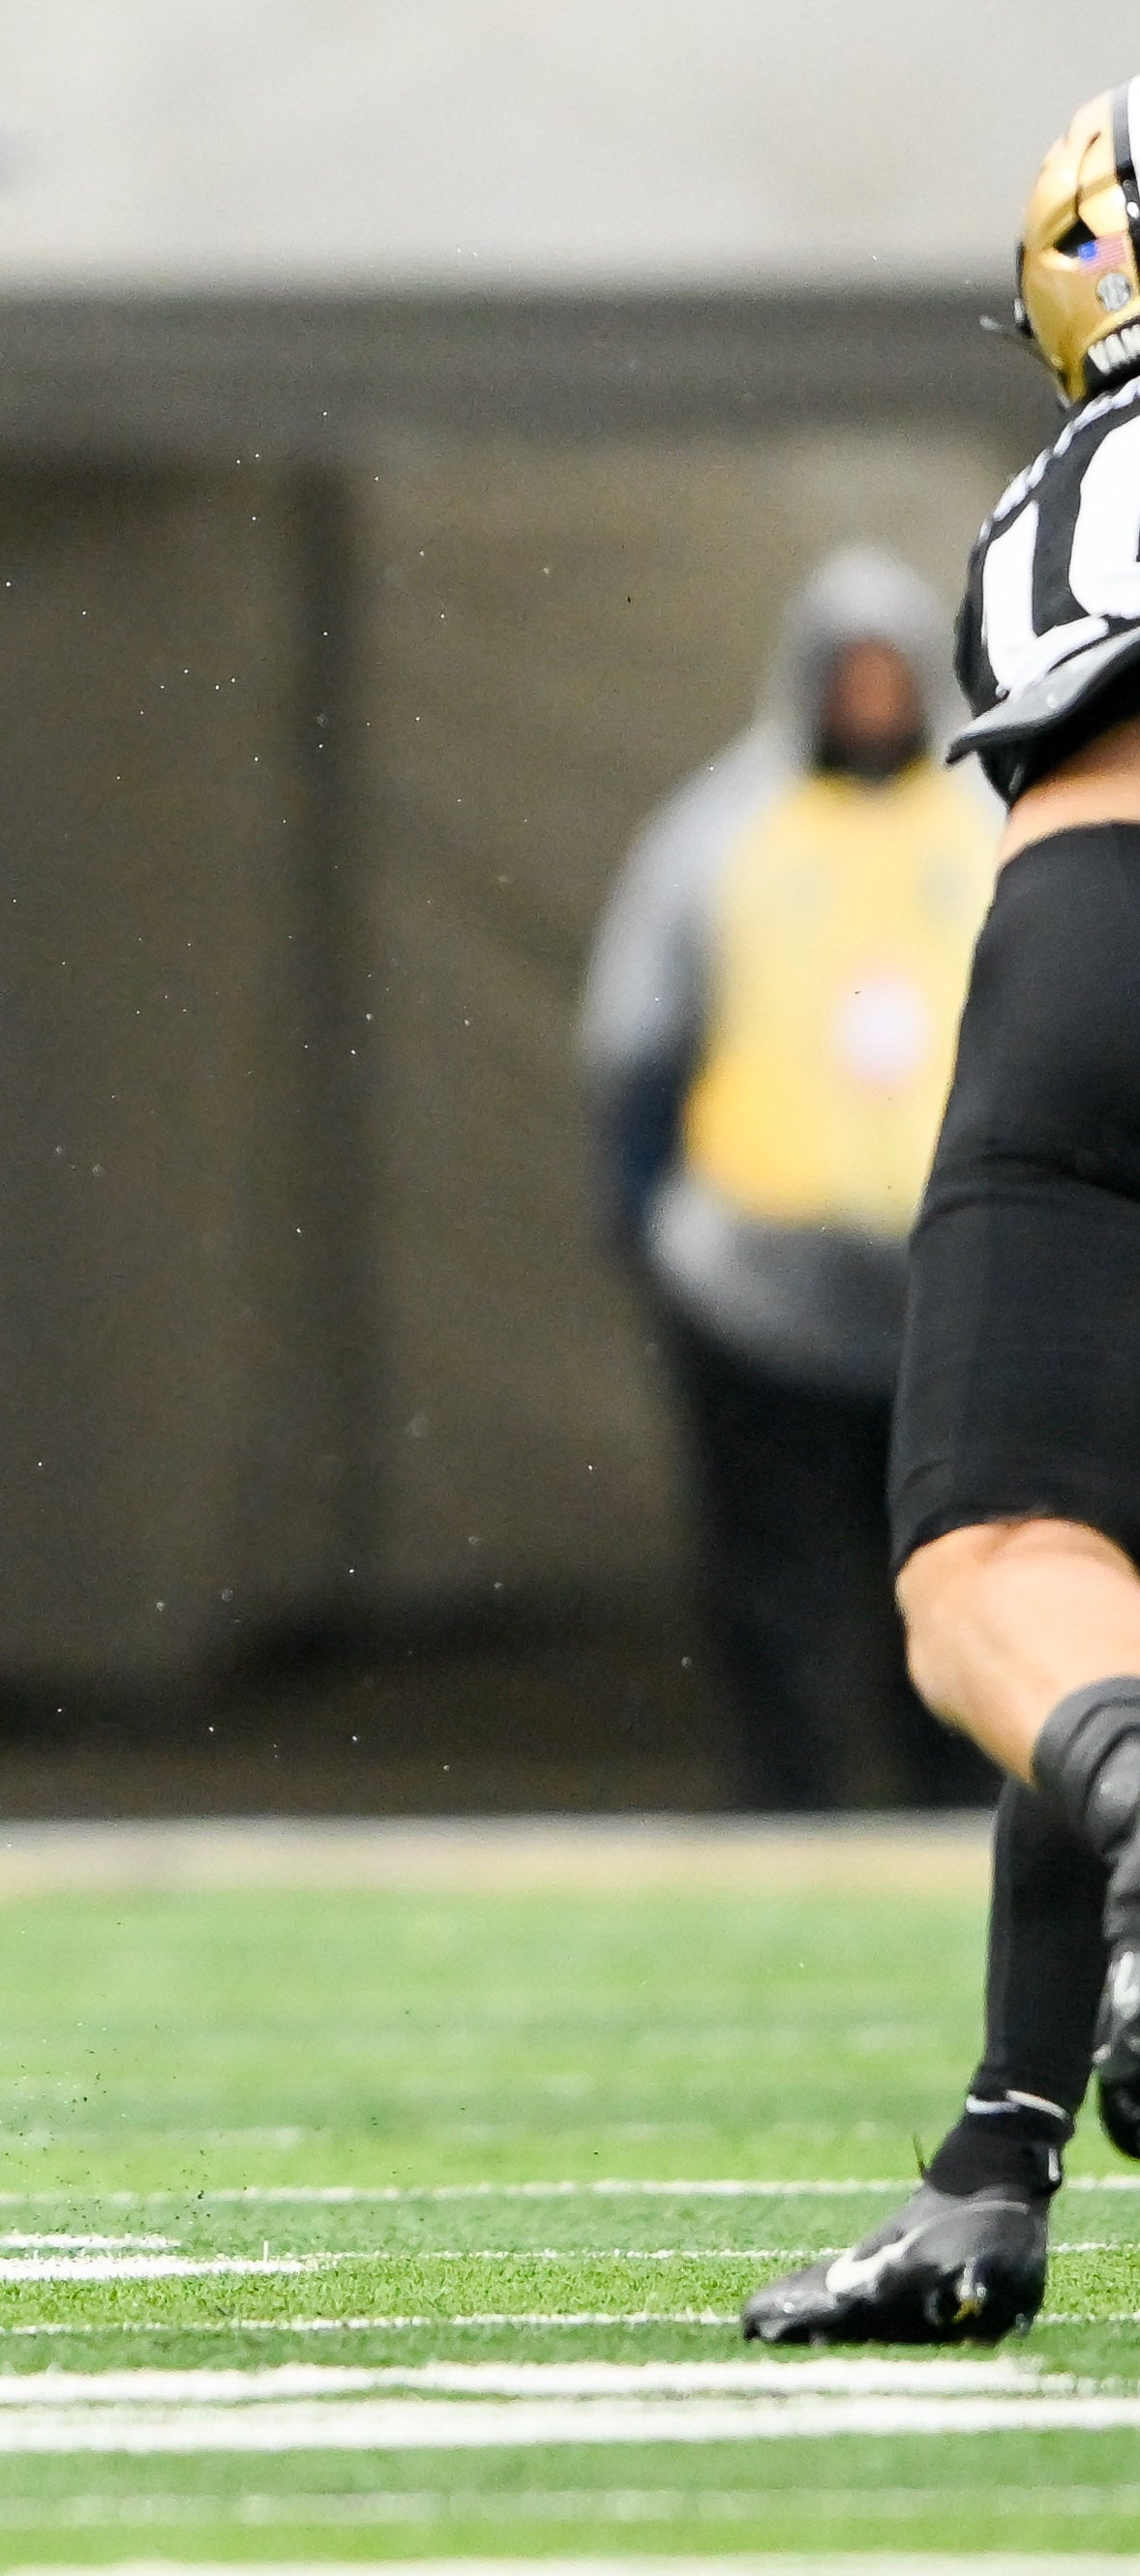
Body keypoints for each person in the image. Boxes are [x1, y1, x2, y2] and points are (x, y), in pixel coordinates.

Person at [747, 81, 1140, 2344]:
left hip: (1103, 945)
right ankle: (994, 2162)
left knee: (1016, 1562)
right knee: (1108, 1582)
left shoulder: (1062, 491)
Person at [582, 550, 1001, 1809]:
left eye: (891, 675)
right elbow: (636, 1041)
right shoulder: (719, 835)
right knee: (775, 1573)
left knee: (953, 1566)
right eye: (848, 676)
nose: (871, 700)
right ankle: (789, 1802)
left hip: (953, 1284)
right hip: (757, 1285)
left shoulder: (989, 821)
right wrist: (652, 1226)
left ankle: (950, 1807)